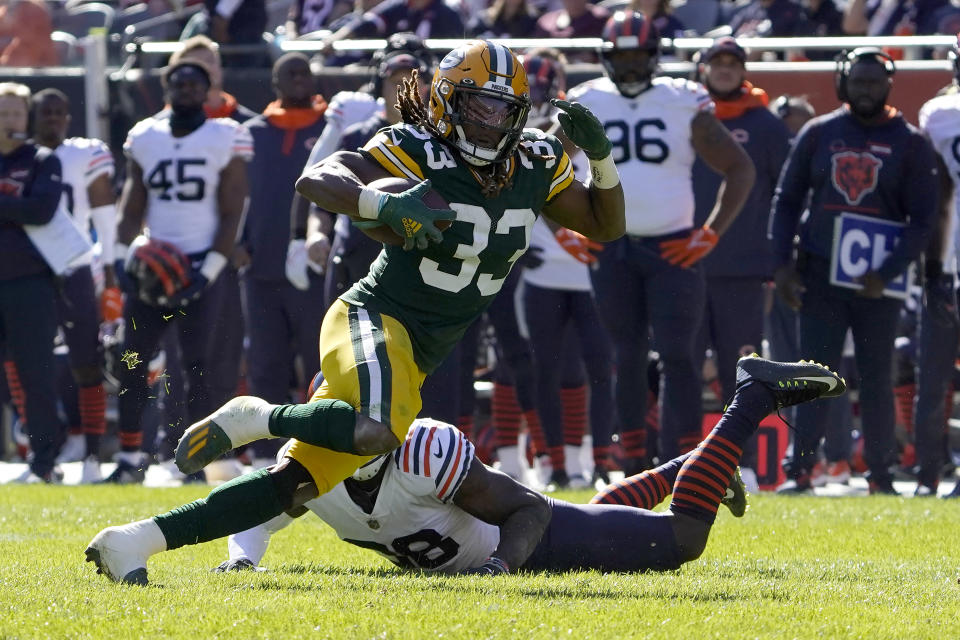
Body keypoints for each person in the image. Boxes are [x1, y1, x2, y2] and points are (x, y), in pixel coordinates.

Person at [85, 39, 624, 568]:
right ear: (446, 101)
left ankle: (134, 542)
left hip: (419, 352)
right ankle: (261, 416)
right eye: (479, 103)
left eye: (504, 107)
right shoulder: (416, 147)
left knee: (292, 488)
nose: (492, 119)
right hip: (372, 317)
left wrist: (599, 158)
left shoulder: (534, 160)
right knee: (378, 430)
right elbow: (316, 178)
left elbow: (606, 224)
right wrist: (382, 204)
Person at [85, 355, 846, 582]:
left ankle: (751, 396)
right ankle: (696, 461)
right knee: (618, 516)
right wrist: (239, 565)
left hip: (527, 539)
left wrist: (503, 571)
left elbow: (530, 511)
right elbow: (259, 512)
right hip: (494, 537)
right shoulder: (306, 474)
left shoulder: (424, 449)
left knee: (681, 542)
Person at [568, 11, 755, 474]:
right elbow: (541, 166)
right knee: (625, 355)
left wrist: (710, 231)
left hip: (672, 246)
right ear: (606, 59)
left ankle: (687, 462)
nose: (631, 67)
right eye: (622, 57)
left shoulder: (681, 99)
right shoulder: (586, 99)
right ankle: (633, 462)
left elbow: (740, 167)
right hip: (612, 246)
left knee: (679, 355)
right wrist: (563, 228)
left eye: (639, 57)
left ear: (654, 57)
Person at [769, 48, 939, 494]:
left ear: (888, 84)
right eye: (858, 81)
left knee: (876, 376)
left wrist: (888, 270)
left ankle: (879, 476)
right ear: (842, 82)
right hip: (821, 273)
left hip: (877, 284)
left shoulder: (912, 142)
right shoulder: (818, 132)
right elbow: (786, 200)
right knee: (811, 375)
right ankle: (800, 470)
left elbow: (923, 220)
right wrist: (781, 266)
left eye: (873, 81)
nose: (866, 89)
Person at [106, 60, 253, 483]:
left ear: (207, 90)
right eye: (179, 81)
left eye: (195, 83)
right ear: (166, 87)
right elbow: (131, 203)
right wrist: (119, 257)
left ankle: (194, 459)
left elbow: (233, 210)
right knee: (132, 359)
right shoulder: (146, 135)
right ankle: (130, 456)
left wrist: (207, 270)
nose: (187, 88)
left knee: (197, 365)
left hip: (200, 266)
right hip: (152, 266)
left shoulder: (226, 135)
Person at [692, 38, 791, 489]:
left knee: (745, 370)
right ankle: (681, 460)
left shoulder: (768, 126)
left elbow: (785, 196)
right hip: (686, 263)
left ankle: (744, 463)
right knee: (683, 365)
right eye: (719, 63)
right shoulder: (685, 116)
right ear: (704, 68)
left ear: (745, 70)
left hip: (744, 267)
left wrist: (776, 257)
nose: (726, 70)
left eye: (734, 63)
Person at [241, 53, 328, 457]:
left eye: (304, 72)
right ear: (274, 82)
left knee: (318, 361)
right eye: (290, 73)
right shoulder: (252, 133)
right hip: (260, 267)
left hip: (314, 269)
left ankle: (315, 449)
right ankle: (265, 453)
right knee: (265, 362)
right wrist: (239, 242)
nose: (299, 79)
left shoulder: (331, 128)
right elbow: (239, 194)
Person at [29, 89, 118, 483]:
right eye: (44, 112)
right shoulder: (18, 156)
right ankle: (42, 453)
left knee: (87, 360)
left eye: (59, 112)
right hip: (30, 269)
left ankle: (93, 455)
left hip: (77, 267)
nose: (51, 118)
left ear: (68, 118)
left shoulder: (84, 153)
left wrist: (111, 267)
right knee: (27, 363)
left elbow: (104, 213)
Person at [0, 82, 66, 483]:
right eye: (3, 113)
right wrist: (13, 209)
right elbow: (24, 209)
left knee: (35, 374)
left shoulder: (43, 159)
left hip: (30, 283)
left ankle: (43, 462)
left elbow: (41, 210)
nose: (10, 121)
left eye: (16, 113)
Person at [915, 40, 960, 498]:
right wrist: (931, 268)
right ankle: (928, 472)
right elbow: (936, 195)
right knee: (933, 374)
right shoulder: (939, 113)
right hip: (948, 261)